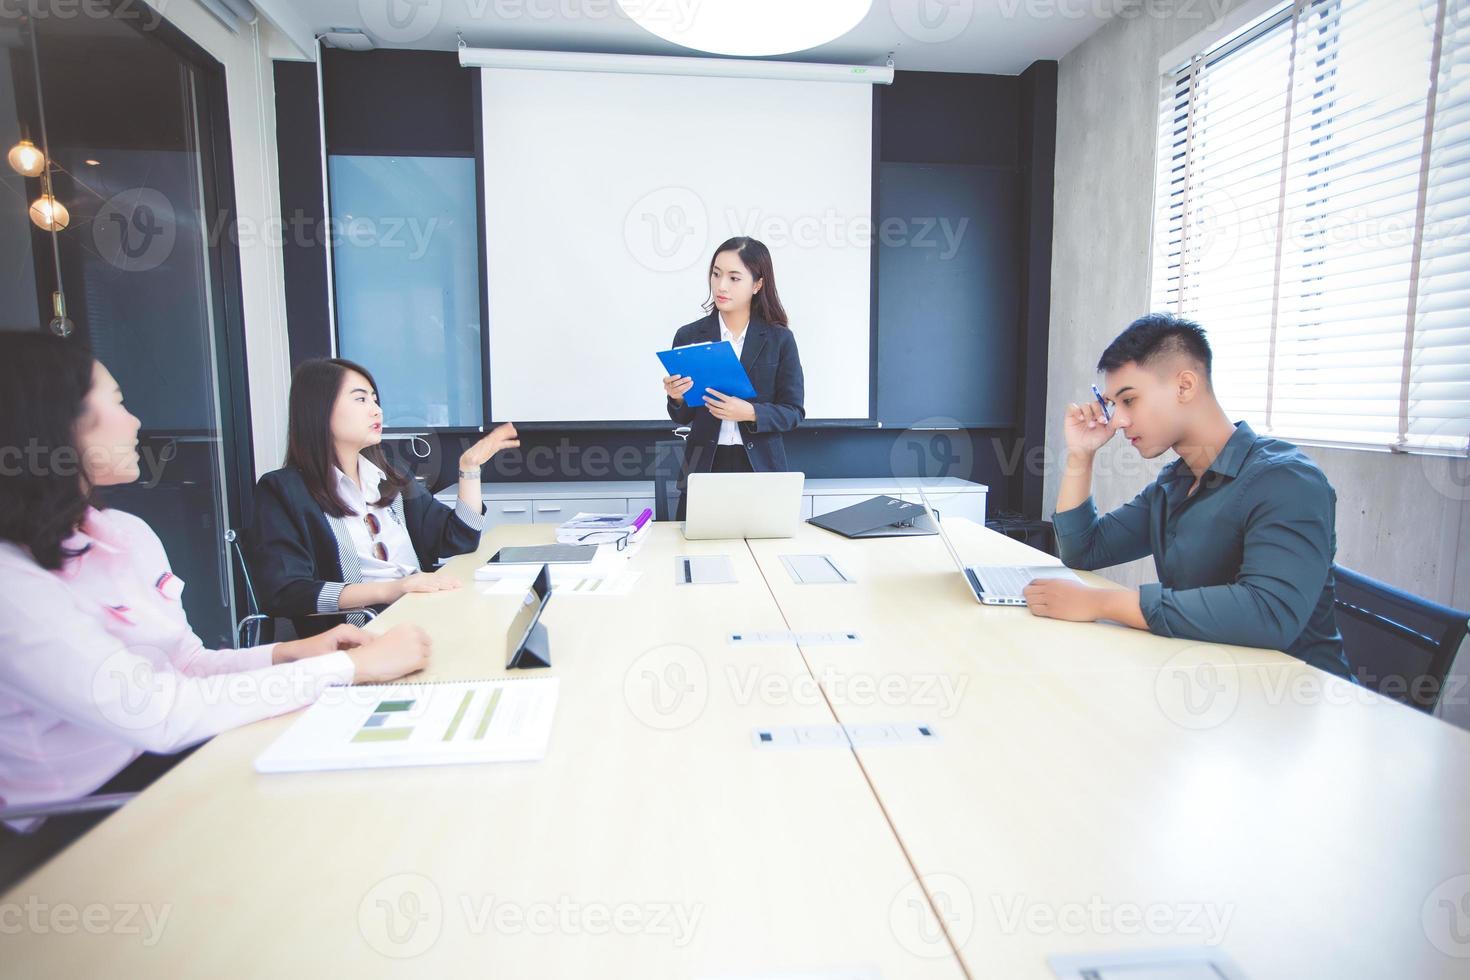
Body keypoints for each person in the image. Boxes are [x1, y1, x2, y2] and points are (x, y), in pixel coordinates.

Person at [0, 332, 432, 888]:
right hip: (87, 816)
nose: (135, 423)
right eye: (119, 401)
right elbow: (158, 712)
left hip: (179, 761)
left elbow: (188, 664)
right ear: (55, 422)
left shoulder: (123, 534)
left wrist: (295, 651)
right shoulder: (14, 586)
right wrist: (346, 669)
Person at [1023, 313, 1349, 677]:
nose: (1117, 421)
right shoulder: (1176, 482)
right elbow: (1084, 549)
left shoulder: (1287, 480)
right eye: (1113, 404)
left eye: (1129, 400)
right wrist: (1081, 455)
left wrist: (1104, 603)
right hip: (1206, 679)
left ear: (1185, 386)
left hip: (1296, 699)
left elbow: (1269, 613)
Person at [248, 358, 518, 637]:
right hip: (361, 634)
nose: (376, 410)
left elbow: (459, 537)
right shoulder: (283, 490)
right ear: (320, 410)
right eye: (361, 399)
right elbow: (284, 591)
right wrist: (390, 590)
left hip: (422, 614)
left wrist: (469, 468)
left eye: (375, 400)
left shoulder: (389, 477)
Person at [661, 237, 805, 521]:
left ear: (757, 284)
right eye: (716, 274)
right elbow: (683, 415)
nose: (721, 286)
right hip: (704, 469)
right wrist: (676, 396)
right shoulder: (689, 337)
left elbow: (793, 412)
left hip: (760, 469)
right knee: (698, 554)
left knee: (760, 558)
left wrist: (749, 412)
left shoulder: (779, 339)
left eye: (734, 277)